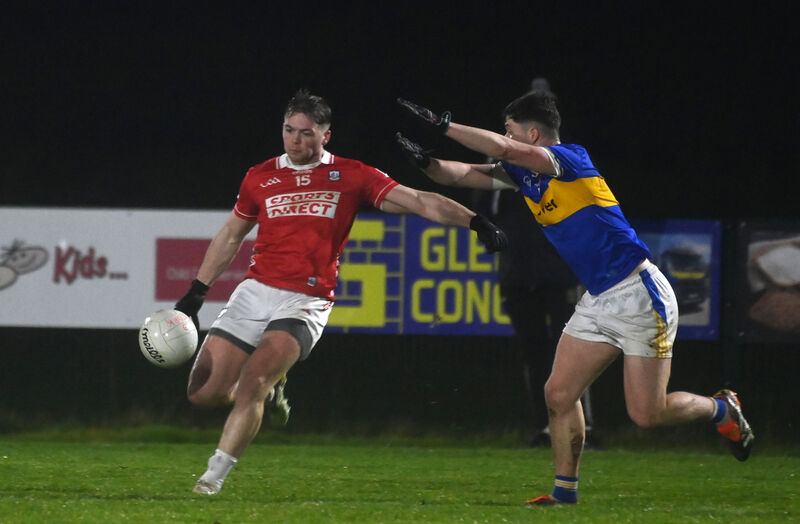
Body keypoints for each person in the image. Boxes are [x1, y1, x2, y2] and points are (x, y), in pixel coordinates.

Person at [395, 90, 754, 505]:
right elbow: (457, 174)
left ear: (533, 134)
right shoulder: (522, 174)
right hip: (599, 297)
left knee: (646, 414)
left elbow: (501, 147)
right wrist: (425, 162)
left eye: (511, 129)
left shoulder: (569, 159)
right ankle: (564, 493)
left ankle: (721, 409)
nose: (505, 136)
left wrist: (444, 126)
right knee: (559, 394)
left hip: (639, 293)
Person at [174, 89, 508, 495]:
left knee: (253, 381)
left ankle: (213, 477)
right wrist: (197, 291)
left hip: (306, 301)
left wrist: (476, 222)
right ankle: (272, 388)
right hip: (255, 291)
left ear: (325, 136)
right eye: (289, 131)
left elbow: (420, 201)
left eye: (306, 133)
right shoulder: (260, 176)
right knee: (203, 394)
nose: (296, 140)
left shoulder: (352, 175)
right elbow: (231, 235)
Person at [476, 78, 596, 448]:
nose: (506, 135)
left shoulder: (562, 160)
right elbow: (483, 205)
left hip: (558, 272)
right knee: (534, 351)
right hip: (517, 273)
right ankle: (544, 427)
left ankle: (583, 428)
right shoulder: (504, 164)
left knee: (572, 352)